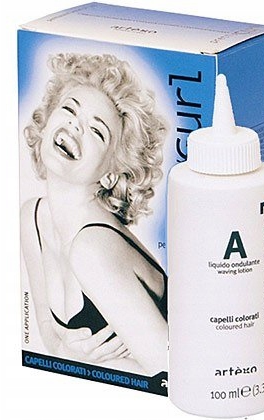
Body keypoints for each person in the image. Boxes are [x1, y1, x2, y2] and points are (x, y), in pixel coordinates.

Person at [20, 53, 168, 375]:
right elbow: (48, 333)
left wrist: (82, 363)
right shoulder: (32, 217)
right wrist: (65, 353)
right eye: (69, 110)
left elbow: (173, 374)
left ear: (111, 174)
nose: (75, 125)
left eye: (97, 131)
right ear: (46, 123)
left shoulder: (93, 248)